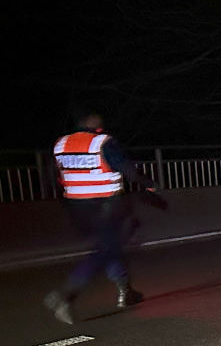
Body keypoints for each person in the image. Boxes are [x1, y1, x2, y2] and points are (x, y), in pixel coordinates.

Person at [43, 113, 163, 324]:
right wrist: (148, 183)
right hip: (105, 206)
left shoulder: (61, 144)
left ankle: (126, 292)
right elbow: (125, 168)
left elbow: (52, 175)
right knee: (104, 251)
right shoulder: (102, 142)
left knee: (109, 247)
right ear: (96, 127)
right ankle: (66, 294)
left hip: (78, 208)